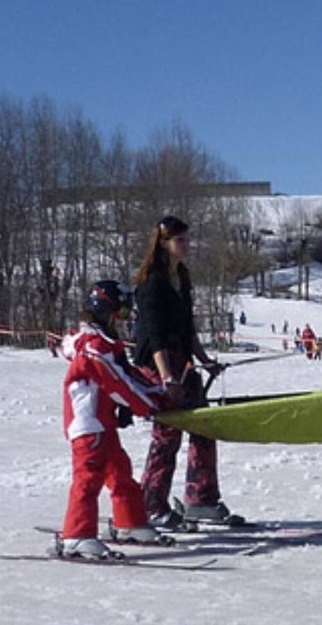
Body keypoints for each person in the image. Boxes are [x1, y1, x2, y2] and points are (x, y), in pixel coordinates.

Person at [133, 215, 240, 529]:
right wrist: (167, 377)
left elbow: (187, 327)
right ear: (164, 244)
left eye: (187, 239)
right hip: (157, 363)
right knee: (168, 435)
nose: (187, 245)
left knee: (203, 426)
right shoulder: (152, 282)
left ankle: (201, 499)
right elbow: (155, 334)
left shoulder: (182, 276)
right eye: (180, 240)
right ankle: (150, 505)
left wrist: (204, 360)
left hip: (182, 360)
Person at [59, 280, 167, 559]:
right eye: (120, 310)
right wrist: (148, 406)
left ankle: (129, 522)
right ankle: (76, 535)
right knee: (88, 477)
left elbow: (129, 375)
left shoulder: (105, 345)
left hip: (103, 420)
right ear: (106, 309)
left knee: (119, 469)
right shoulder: (95, 348)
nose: (125, 315)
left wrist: (159, 391)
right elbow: (118, 384)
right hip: (87, 422)